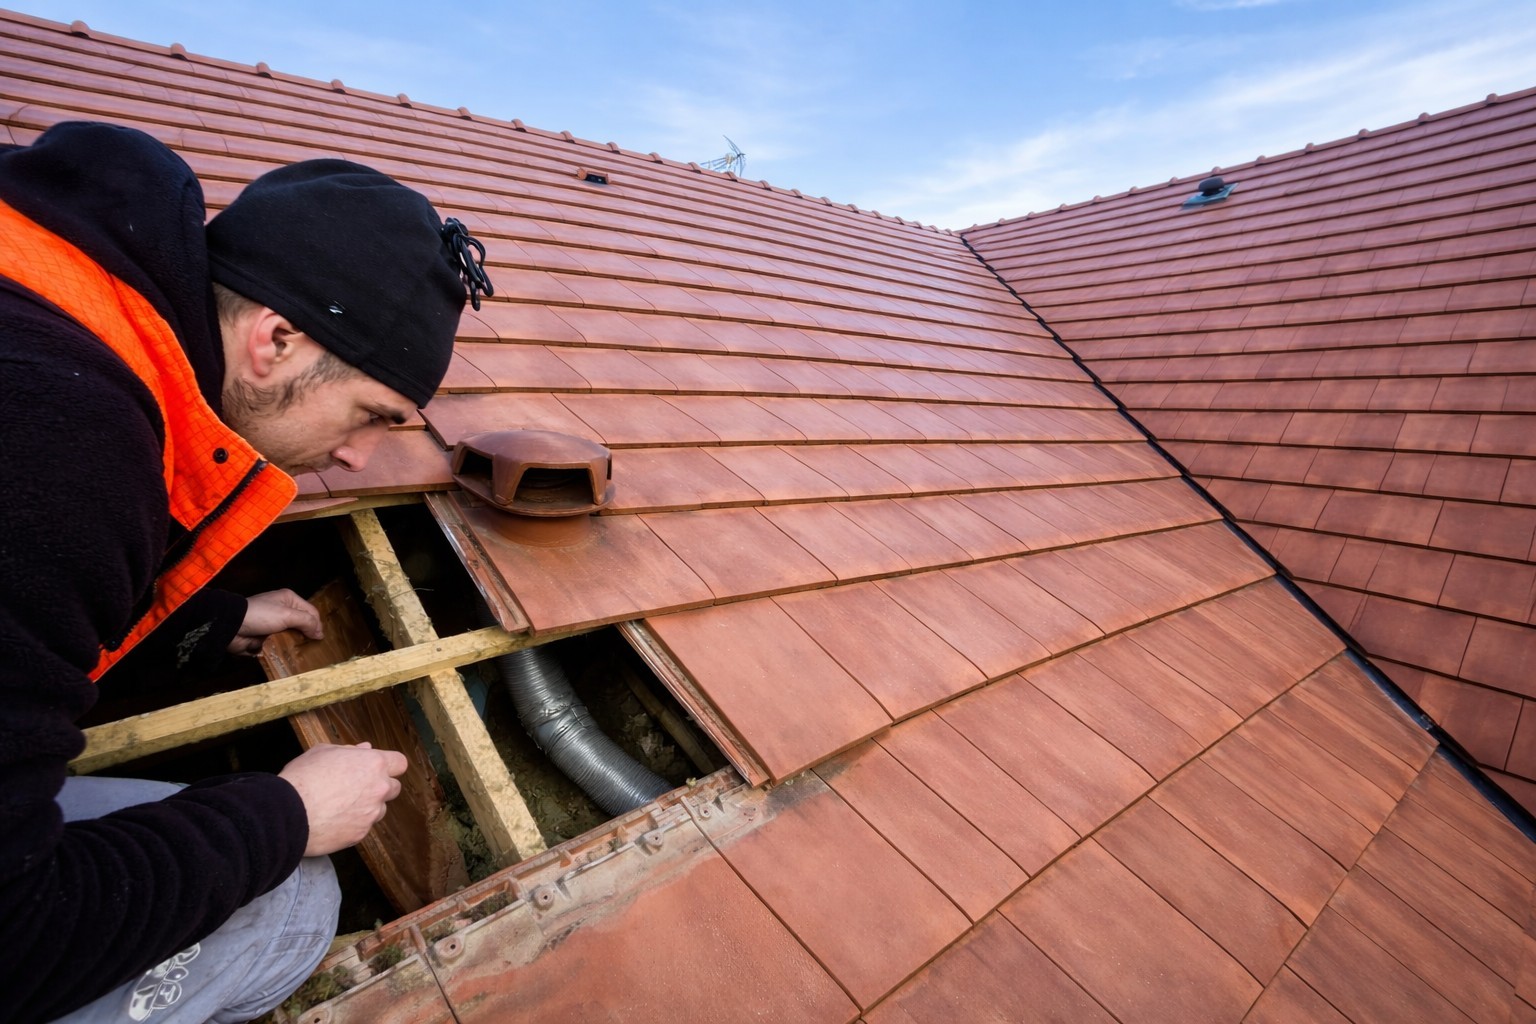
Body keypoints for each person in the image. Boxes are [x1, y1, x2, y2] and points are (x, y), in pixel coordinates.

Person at [0, 120, 492, 1022]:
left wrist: (207, 619)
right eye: (372, 414)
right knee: (295, 906)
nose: (357, 458)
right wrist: (288, 817)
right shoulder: (63, 451)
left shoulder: (61, 308)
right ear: (276, 341)